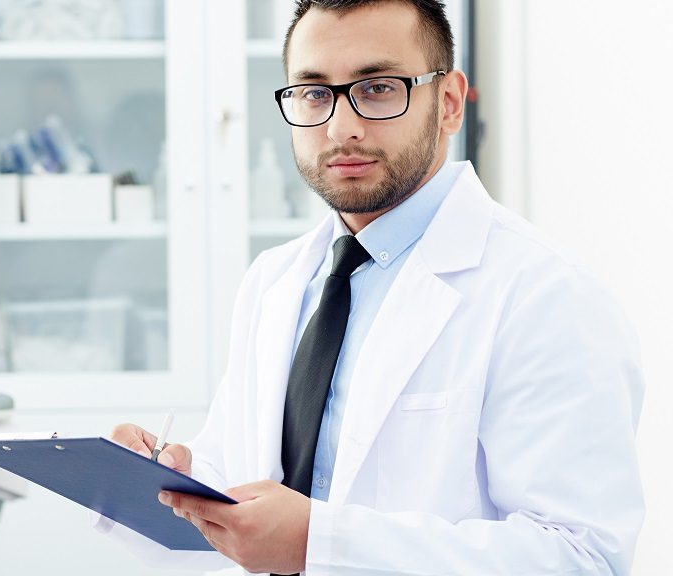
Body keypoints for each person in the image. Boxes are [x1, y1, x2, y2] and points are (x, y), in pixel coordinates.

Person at [109, 0, 645, 574]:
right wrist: (177, 478)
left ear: (448, 104)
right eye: (315, 93)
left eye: (379, 88)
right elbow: (249, 482)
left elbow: (583, 556)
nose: (342, 127)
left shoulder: (546, 295)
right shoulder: (274, 280)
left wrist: (324, 543)